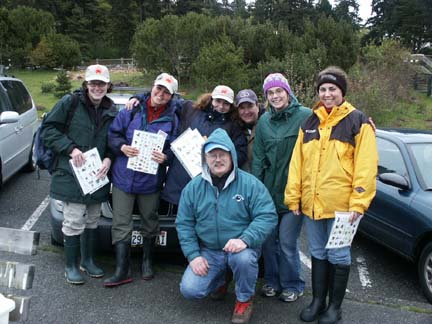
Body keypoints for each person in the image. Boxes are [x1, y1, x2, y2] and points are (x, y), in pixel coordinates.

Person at [285, 66, 378, 324]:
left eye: (332, 89)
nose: (327, 94)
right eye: (323, 89)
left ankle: (335, 308)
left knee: (338, 255)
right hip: (312, 205)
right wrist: (294, 197)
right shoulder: (309, 123)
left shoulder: (358, 121)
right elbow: (297, 163)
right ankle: (318, 302)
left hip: (343, 209)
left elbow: (366, 166)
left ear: (342, 91)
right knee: (317, 252)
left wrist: (359, 203)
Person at [176, 128, 277, 324]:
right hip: (210, 251)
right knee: (190, 290)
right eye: (212, 155)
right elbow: (184, 223)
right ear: (205, 158)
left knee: (244, 259)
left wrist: (245, 239)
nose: (217, 159)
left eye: (222, 154)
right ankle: (221, 280)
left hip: (241, 248)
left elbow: (267, 215)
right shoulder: (194, 187)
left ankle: (244, 300)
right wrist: (194, 256)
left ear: (232, 156)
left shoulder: (250, 184)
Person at [41, 64, 117, 284]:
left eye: (101, 83)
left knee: (92, 220)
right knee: (73, 221)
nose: (97, 87)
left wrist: (109, 158)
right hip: (70, 175)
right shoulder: (70, 103)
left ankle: (88, 260)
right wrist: (70, 148)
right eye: (93, 83)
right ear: (86, 84)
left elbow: (114, 141)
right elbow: (48, 130)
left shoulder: (111, 111)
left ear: (108, 86)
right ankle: (71, 266)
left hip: (96, 177)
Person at [104, 73, 181, 287]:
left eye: (166, 92)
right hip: (123, 177)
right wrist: (121, 147)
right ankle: (122, 269)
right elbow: (113, 134)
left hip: (150, 181)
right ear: (152, 87)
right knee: (121, 222)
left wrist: (166, 156)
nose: (161, 94)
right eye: (159, 88)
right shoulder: (132, 109)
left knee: (150, 219)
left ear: (171, 96)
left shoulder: (174, 118)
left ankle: (148, 261)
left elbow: (175, 146)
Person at [251, 73, 311, 302]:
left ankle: (293, 284)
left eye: (279, 91)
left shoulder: (305, 116)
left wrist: (363, 123)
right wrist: (257, 192)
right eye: (271, 93)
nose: (275, 96)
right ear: (266, 97)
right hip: (268, 193)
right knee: (267, 242)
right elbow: (257, 158)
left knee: (287, 242)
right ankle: (272, 281)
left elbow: (329, 128)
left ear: (288, 92)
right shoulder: (264, 121)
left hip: (294, 194)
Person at [161, 85, 248, 206]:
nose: (221, 106)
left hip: (208, 185)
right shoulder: (191, 110)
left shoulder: (234, 126)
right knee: (175, 222)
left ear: (231, 106)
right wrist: (139, 98)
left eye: (226, 103)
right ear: (211, 99)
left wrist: (219, 158)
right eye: (218, 101)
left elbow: (240, 153)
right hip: (178, 181)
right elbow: (164, 100)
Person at [233, 89, 265, 171]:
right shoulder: (234, 129)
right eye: (242, 108)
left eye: (250, 106)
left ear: (257, 106)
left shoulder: (268, 124)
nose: (246, 112)